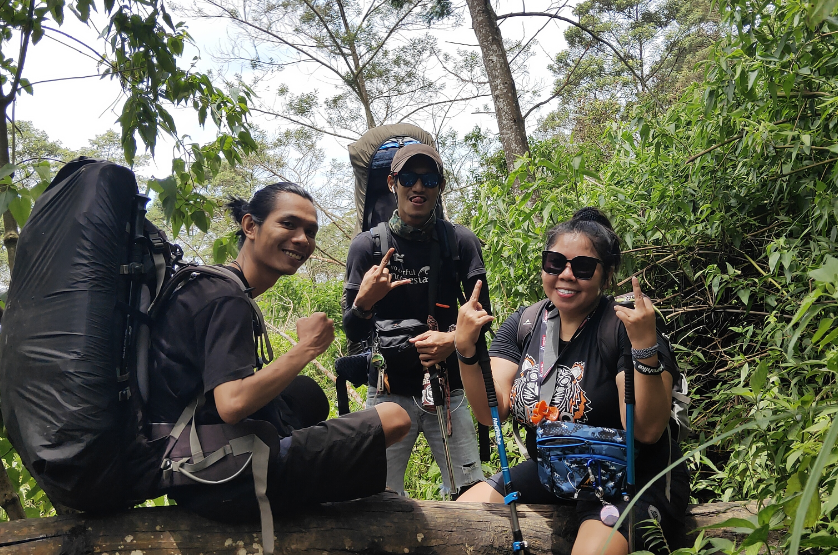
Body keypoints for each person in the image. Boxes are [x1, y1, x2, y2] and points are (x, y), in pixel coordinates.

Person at [146, 181, 410, 522]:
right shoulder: (226, 298)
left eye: (310, 231)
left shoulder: (211, 283)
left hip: (189, 463)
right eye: (288, 224)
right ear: (250, 226)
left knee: (307, 395)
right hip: (218, 478)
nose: (302, 239)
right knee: (394, 418)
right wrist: (308, 348)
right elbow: (232, 404)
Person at [454, 208, 689, 555]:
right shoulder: (527, 323)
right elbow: (492, 413)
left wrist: (644, 348)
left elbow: (646, 430)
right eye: (554, 263)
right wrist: (465, 349)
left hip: (631, 478)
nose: (566, 275)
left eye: (582, 267)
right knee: (461, 518)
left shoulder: (626, 324)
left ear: (606, 276)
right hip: (556, 471)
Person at [342, 143, 490, 498]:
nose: (418, 187)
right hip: (387, 391)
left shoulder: (460, 242)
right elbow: (352, 330)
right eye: (409, 178)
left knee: (469, 492)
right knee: (377, 495)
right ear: (393, 182)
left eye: (429, 179)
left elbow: (482, 319)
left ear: (440, 186)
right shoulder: (367, 246)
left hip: (450, 387)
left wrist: (452, 341)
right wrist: (363, 304)